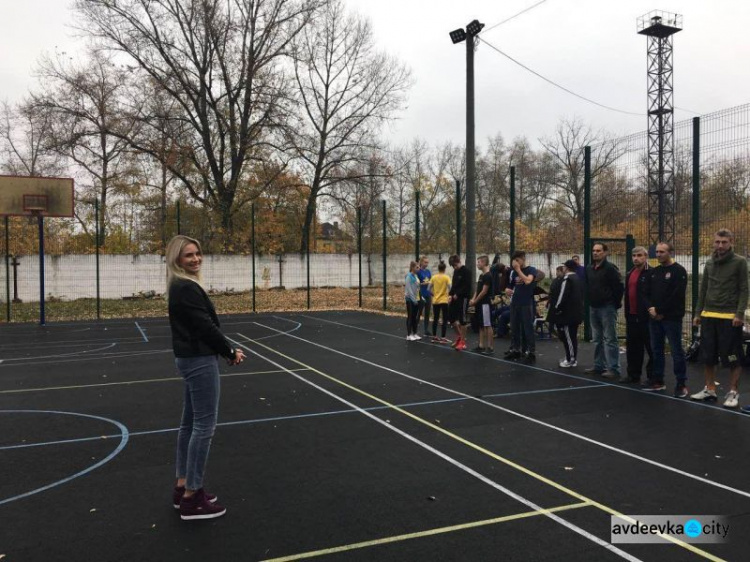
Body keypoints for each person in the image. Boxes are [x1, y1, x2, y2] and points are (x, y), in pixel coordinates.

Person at [166, 235, 246, 521]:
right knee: (203, 427)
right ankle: (193, 497)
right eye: (189, 255)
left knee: (189, 425)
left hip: (190, 358)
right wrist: (229, 350)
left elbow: (201, 325)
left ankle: (182, 487)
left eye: (198, 253)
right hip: (198, 360)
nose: (196, 259)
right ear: (177, 259)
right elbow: (205, 326)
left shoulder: (180, 285)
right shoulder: (185, 287)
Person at [691, 229, 749, 408]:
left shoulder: (739, 262)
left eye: (724, 242)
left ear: (731, 242)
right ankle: (709, 389)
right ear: (713, 242)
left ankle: (733, 392)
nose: (720, 245)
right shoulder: (709, 262)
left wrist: (739, 314)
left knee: (732, 357)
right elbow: (703, 290)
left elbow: (744, 289)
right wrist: (698, 313)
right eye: (717, 242)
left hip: (730, 318)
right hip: (709, 316)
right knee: (708, 356)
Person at [646, 241, 688, 397]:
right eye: (657, 252)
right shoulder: (654, 272)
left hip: (672, 319)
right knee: (656, 350)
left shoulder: (679, 271)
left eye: (662, 252)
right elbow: (646, 293)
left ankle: (681, 384)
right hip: (654, 318)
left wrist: (660, 311)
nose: (658, 255)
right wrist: (651, 309)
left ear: (670, 252)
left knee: (676, 351)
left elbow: (676, 296)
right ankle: (658, 380)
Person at [585, 242, 624, 378]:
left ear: (605, 253)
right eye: (594, 250)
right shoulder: (589, 268)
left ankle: (614, 368)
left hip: (607, 307)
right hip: (593, 307)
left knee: (610, 338)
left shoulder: (610, 269)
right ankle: (598, 365)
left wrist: (614, 303)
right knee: (597, 338)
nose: (595, 253)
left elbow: (619, 287)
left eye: (599, 251)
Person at [623, 246, 654, 385]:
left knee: (651, 348)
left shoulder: (652, 273)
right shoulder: (630, 273)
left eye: (639, 255)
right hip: (632, 316)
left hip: (647, 318)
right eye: (634, 255)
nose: (636, 258)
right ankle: (633, 375)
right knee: (633, 347)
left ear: (646, 256)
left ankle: (653, 377)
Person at [505, 250, 539, 364]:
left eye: (517, 260)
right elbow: (510, 285)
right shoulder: (513, 273)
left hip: (526, 303)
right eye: (514, 261)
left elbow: (528, 281)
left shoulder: (531, 270)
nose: (516, 263)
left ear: (523, 258)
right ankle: (516, 349)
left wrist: (518, 270)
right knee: (514, 327)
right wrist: (507, 290)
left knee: (527, 328)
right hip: (515, 302)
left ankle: (531, 352)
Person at [548, 260, 584, 367]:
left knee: (568, 337)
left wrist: (557, 308)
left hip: (568, 314)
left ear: (567, 268)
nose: (563, 268)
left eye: (564, 266)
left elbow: (562, 296)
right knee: (572, 337)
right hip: (577, 312)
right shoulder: (578, 278)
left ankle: (570, 359)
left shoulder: (567, 279)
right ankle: (572, 357)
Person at [469, 255, 494, 354]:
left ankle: (490, 347)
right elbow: (478, 290)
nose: (477, 264)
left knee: (487, 324)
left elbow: (484, 291)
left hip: (485, 304)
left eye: (479, 262)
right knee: (481, 324)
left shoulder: (488, 275)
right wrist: (473, 299)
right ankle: (481, 345)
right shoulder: (481, 276)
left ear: (484, 263)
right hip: (479, 304)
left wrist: (475, 301)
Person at [448, 254, 472, 351]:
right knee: (451, 318)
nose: (455, 267)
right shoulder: (456, 271)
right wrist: (450, 295)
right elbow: (454, 285)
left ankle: (463, 342)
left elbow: (467, 286)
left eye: (455, 265)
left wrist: (458, 294)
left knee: (462, 319)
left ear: (458, 262)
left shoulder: (467, 272)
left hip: (463, 298)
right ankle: (459, 336)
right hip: (454, 298)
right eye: (453, 266)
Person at [429, 260, 452, 342]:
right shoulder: (446, 277)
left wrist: (433, 294)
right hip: (444, 300)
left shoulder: (434, 277)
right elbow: (450, 288)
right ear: (444, 269)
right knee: (444, 319)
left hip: (435, 300)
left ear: (438, 269)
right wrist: (449, 295)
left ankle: (434, 336)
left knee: (435, 318)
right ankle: (443, 337)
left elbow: (428, 289)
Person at [416, 256, 433, 336]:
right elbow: (416, 283)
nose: (426, 264)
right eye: (425, 262)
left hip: (428, 294)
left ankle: (426, 330)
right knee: (419, 312)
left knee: (427, 312)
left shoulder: (428, 271)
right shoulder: (418, 271)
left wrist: (432, 291)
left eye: (427, 262)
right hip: (421, 294)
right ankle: (415, 328)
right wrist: (423, 283)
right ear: (421, 262)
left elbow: (431, 282)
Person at [404, 261, 421, 341]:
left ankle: (414, 333)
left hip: (416, 299)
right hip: (410, 299)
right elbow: (409, 290)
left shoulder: (416, 276)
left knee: (415, 317)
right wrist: (413, 300)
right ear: (412, 268)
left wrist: (420, 298)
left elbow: (417, 287)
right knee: (410, 316)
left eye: (419, 267)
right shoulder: (408, 276)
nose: (419, 268)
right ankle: (408, 335)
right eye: (417, 267)